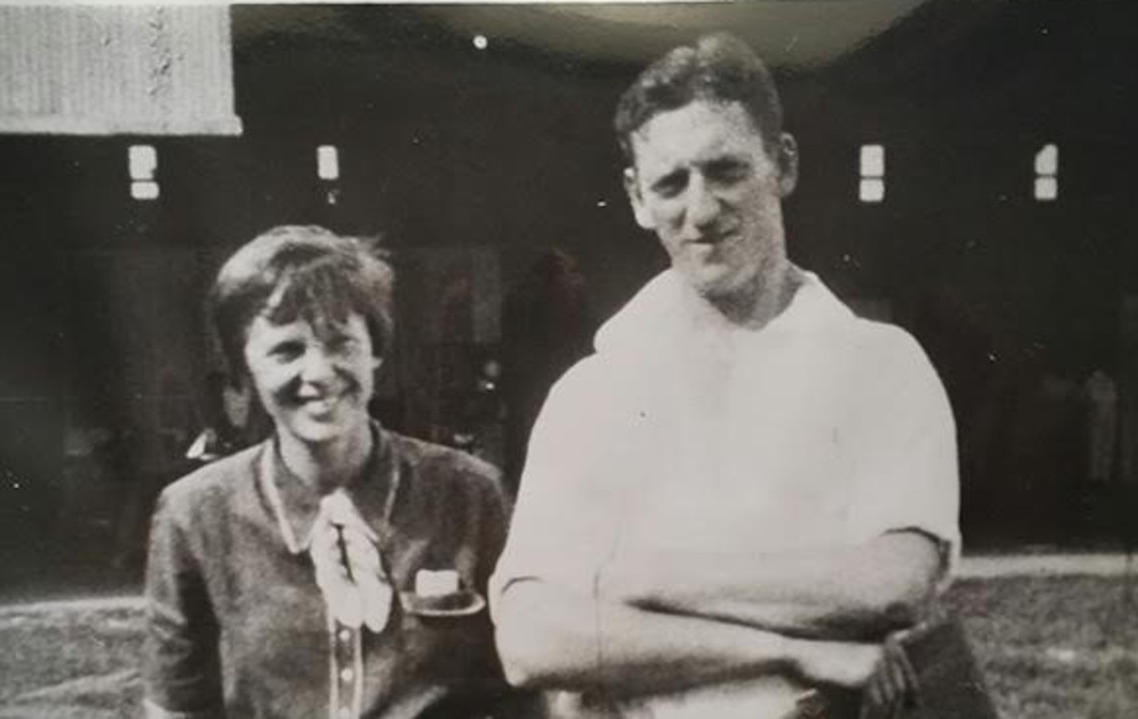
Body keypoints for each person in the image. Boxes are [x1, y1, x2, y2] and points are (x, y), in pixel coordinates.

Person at [490, 34, 960, 719]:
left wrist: (634, 579)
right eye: (670, 183)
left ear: (784, 163)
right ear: (635, 198)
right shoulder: (591, 393)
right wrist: (791, 647)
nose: (701, 210)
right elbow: (532, 639)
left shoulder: (880, 364)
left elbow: (891, 584)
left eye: (726, 171)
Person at [143, 225, 515, 718]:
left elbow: (520, 691)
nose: (318, 373)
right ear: (242, 366)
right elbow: (178, 708)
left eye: (340, 342)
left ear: (376, 349)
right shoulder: (194, 514)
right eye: (287, 350)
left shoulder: (470, 494)